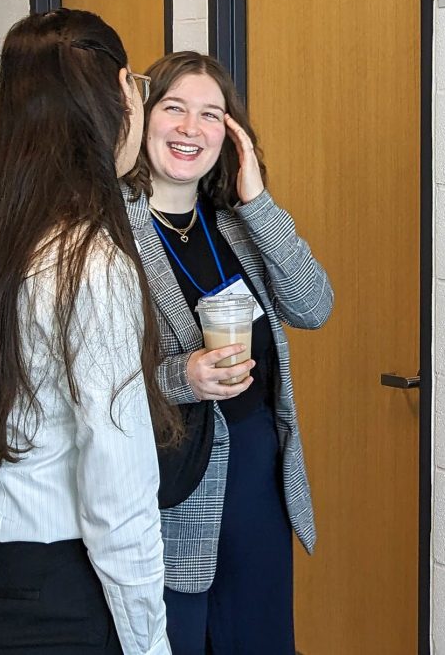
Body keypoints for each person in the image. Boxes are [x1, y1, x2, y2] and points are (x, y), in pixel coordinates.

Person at [0, 9, 179, 654]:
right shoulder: (89, 260)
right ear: (123, 91)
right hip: (58, 600)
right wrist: (148, 641)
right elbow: (117, 497)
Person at [121, 51, 333, 654]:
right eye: (175, 109)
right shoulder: (110, 230)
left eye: (210, 115)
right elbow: (85, 378)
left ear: (230, 133)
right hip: (170, 488)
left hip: (256, 482)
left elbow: (314, 305)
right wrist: (180, 376)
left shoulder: (236, 225)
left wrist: (257, 200)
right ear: (141, 120)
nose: (191, 129)